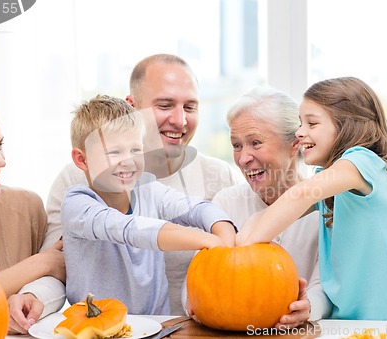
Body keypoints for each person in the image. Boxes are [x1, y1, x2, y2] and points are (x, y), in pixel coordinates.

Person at [45, 54, 243, 314]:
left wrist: (223, 231)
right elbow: (133, 229)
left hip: (162, 328)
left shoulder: (150, 188)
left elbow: (194, 208)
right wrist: (208, 240)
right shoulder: (77, 199)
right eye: (113, 153)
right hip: (98, 330)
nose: (180, 120)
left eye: (135, 150)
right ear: (82, 160)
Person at [236, 77, 387, 321]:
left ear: (347, 125)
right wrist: (237, 241)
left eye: (312, 123)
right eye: (300, 123)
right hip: (353, 325)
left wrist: (247, 245)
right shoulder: (328, 182)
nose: (299, 132)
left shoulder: (361, 162)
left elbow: (301, 194)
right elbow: (281, 207)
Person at [211, 86, 331, 328]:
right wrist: (192, 303)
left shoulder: (325, 205)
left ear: (294, 144)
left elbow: (326, 287)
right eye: (236, 145)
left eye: (255, 143)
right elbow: (201, 279)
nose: (244, 158)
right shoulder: (225, 203)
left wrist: (310, 306)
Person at [0, 90, 66, 334]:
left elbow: (58, 280)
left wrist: (33, 296)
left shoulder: (26, 209)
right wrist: (41, 262)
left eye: (0, 146)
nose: (1, 161)